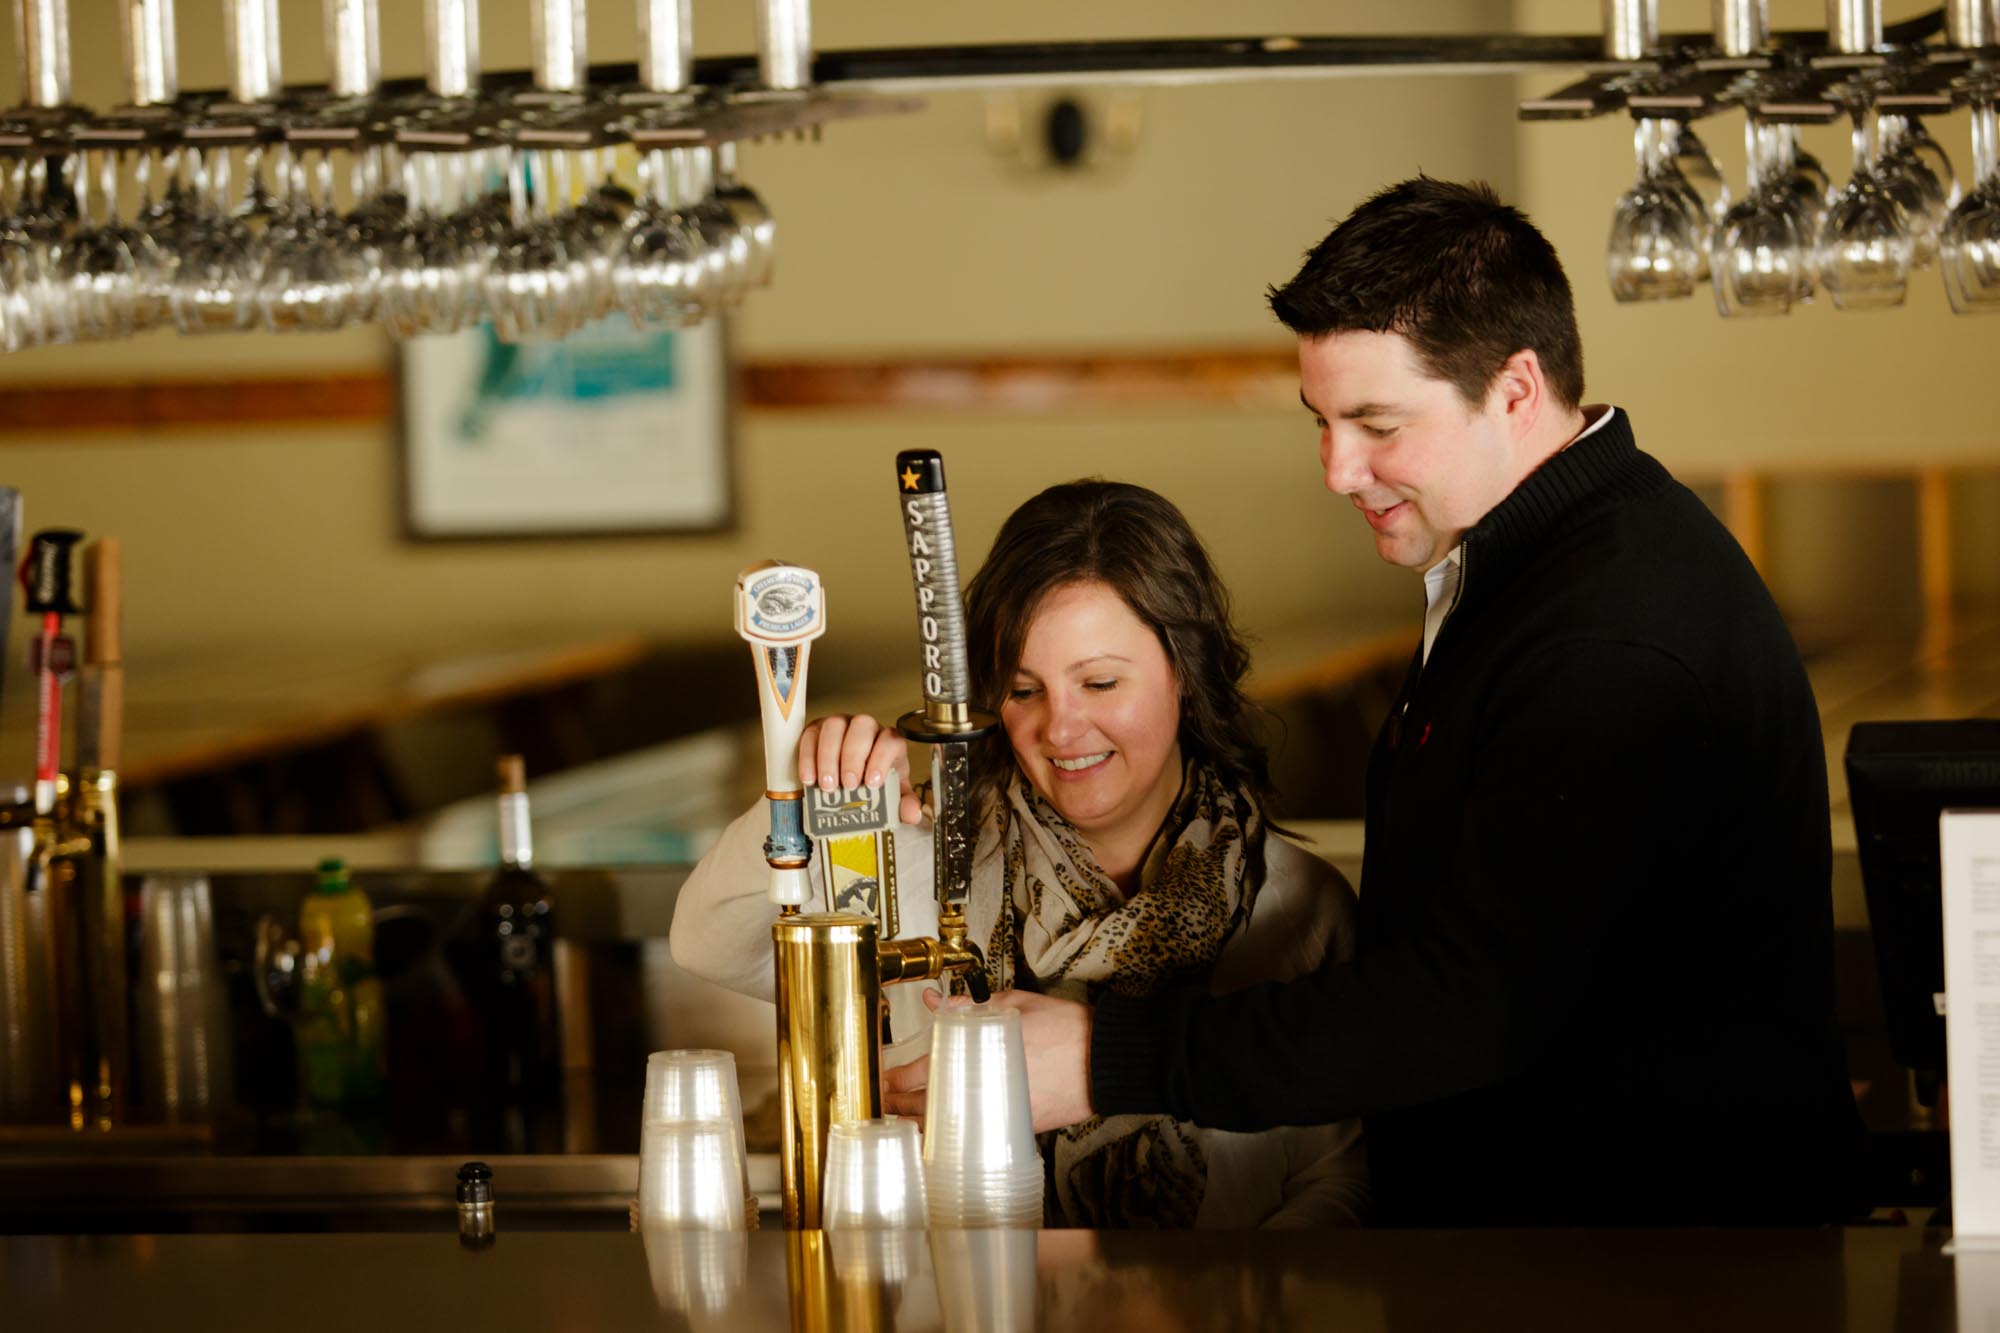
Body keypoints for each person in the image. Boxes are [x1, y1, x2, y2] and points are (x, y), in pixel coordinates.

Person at [890, 177, 1867, 1227]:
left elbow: (1474, 1002)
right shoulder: (1530, 573)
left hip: (1662, 1264)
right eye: (1321, 421)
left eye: (1375, 424)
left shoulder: (1606, 632)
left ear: (1514, 389)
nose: (1335, 469)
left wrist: (1101, 1059)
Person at [671, 480, 1368, 1228]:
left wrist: (1217, 1302)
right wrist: (809, 795)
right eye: (1024, 689)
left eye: (1100, 681)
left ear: (1186, 678)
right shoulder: (930, 867)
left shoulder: (1294, 905)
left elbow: (1340, 1179)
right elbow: (708, 940)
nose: (1061, 729)